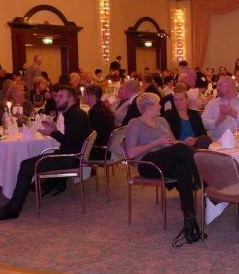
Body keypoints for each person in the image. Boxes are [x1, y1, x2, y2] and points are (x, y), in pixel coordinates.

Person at [0, 86, 92, 221]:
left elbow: (71, 142)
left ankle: (13, 209)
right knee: (26, 164)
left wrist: (53, 133)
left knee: (26, 167)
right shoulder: (74, 113)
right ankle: (12, 206)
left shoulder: (75, 115)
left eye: (61, 96)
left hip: (70, 158)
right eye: (56, 96)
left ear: (72, 98)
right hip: (70, 155)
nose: (57, 99)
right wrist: (54, 130)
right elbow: (72, 140)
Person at [125, 92, 200, 242]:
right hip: (148, 164)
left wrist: (184, 142)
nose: (160, 106)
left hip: (167, 160)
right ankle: (201, 180)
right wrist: (156, 143)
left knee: (183, 172)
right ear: (149, 107)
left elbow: (172, 142)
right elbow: (131, 153)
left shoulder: (162, 121)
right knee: (181, 152)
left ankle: (189, 219)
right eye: (158, 104)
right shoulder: (135, 124)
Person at [83, 85, 115, 161]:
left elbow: (93, 135)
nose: (82, 96)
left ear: (92, 97)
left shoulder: (95, 112)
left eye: (85, 94)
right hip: (106, 149)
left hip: (97, 151)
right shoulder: (103, 109)